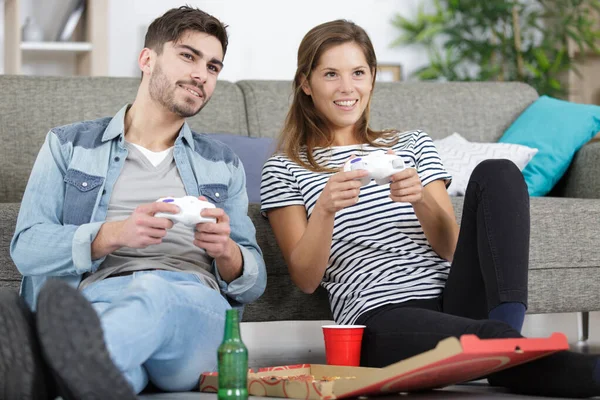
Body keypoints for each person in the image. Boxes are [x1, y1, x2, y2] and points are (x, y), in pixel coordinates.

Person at [261, 19, 600, 398]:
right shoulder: (285, 167)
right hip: (381, 317)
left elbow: (450, 247)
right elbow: (306, 280)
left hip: (453, 297)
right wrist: (324, 210)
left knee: (498, 172)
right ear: (306, 83)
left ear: (372, 78)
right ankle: (511, 352)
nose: (347, 88)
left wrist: (419, 196)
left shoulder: (411, 144)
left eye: (358, 72)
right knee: (486, 336)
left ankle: (506, 343)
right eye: (330, 74)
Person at [1, 6, 266, 400]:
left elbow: (254, 280)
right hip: (100, 297)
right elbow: (27, 248)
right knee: (121, 376)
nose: (201, 75)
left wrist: (227, 251)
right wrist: (111, 235)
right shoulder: (69, 145)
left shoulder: (221, 162)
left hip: (192, 306)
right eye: (188, 56)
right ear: (147, 59)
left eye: (213, 67)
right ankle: (81, 368)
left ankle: (45, 367)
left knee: (156, 292)